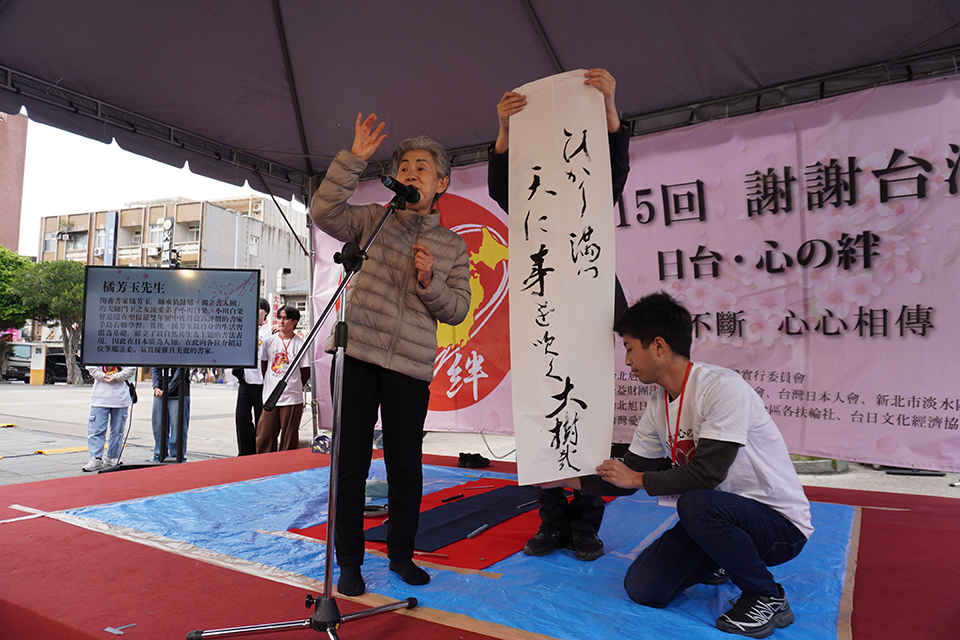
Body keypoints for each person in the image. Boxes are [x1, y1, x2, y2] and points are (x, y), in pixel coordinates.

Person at [548, 291, 813, 638]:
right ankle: (722, 557)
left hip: (777, 526)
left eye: (629, 348)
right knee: (644, 588)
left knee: (695, 501)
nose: (626, 360)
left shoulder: (723, 389)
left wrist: (637, 479)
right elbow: (624, 476)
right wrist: (560, 480)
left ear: (658, 346)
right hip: (716, 518)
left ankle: (766, 595)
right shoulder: (658, 403)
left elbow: (707, 474)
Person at [310, 114, 472, 596]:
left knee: (404, 466)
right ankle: (349, 562)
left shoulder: (451, 246)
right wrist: (353, 160)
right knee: (350, 463)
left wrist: (430, 281)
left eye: (422, 168)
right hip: (357, 354)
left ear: (441, 183)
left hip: (409, 367)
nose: (411, 173)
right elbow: (323, 211)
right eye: (404, 167)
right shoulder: (372, 219)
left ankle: (401, 555)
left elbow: (457, 309)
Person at [487, 68, 631, 562]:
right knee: (545, 404)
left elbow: (616, 166)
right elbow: (501, 189)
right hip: (540, 304)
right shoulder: (527, 196)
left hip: (592, 310)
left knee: (588, 411)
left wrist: (608, 108)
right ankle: (551, 522)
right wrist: (505, 130)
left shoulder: (593, 186)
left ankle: (586, 525)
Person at [255, 305, 310, 453]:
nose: (281, 321)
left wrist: (293, 385)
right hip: (270, 397)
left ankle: (286, 465)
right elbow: (264, 366)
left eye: (285, 318)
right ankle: (265, 464)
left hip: (291, 398)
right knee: (264, 436)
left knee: (288, 439)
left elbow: (306, 372)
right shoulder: (269, 341)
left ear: (294, 322)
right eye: (279, 317)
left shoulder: (300, 344)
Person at [233, 297, 271, 455]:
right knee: (242, 418)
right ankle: (245, 452)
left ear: (266, 312)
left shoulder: (270, 331)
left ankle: (259, 452)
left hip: (262, 384)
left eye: (259, 308)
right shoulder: (244, 328)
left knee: (261, 420)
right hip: (245, 381)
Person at [82, 365, 137, 471]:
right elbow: (91, 367)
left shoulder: (128, 354)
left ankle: (113, 457)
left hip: (121, 398)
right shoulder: (96, 353)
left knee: (117, 431)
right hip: (100, 398)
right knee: (96, 430)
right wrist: (103, 376)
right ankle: (96, 458)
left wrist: (116, 377)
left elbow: (131, 369)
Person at [151, 367, 191, 461]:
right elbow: (155, 367)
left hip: (179, 391)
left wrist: (168, 389)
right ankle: (159, 454)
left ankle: (176, 456)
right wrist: (156, 387)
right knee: (158, 425)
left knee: (178, 427)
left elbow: (181, 369)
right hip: (160, 392)